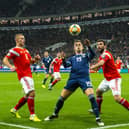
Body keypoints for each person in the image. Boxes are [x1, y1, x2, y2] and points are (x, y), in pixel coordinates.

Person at [44, 39, 104, 127]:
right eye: (76, 45)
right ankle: (55, 114)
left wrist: (89, 46)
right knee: (61, 98)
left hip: (84, 79)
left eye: (79, 44)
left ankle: (98, 118)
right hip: (73, 79)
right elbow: (66, 65)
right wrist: (63, 59)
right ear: (74, 48)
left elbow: (93, 55)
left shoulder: (86, 55)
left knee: (91, 96)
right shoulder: (72, 58)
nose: (78, 46)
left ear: (82, 47)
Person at [3, 33, 41, 122]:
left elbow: (30, 62)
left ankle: (15, 109)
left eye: (24, 38)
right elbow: (5, 59)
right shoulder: (14, 50)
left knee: (28, 95)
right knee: (32, 93)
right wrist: (10, 66)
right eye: (21, 39)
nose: (23, 40)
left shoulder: (26, 51)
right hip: (23, 75)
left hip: (29, 74)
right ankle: (32, 115)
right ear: (16, 40)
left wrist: (36, 59)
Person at [90, 39, 129, 113]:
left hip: (114, 78)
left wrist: (92, 67)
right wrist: (92, 69)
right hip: (107, 79)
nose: (99, 46)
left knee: (117, 98)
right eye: (98, 44)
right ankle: (98, 110)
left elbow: (101, 63)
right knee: (98, 92)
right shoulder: (101, 56)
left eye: (101, 44)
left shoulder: (106, 54)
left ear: (105, 46)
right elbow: (98, 68)